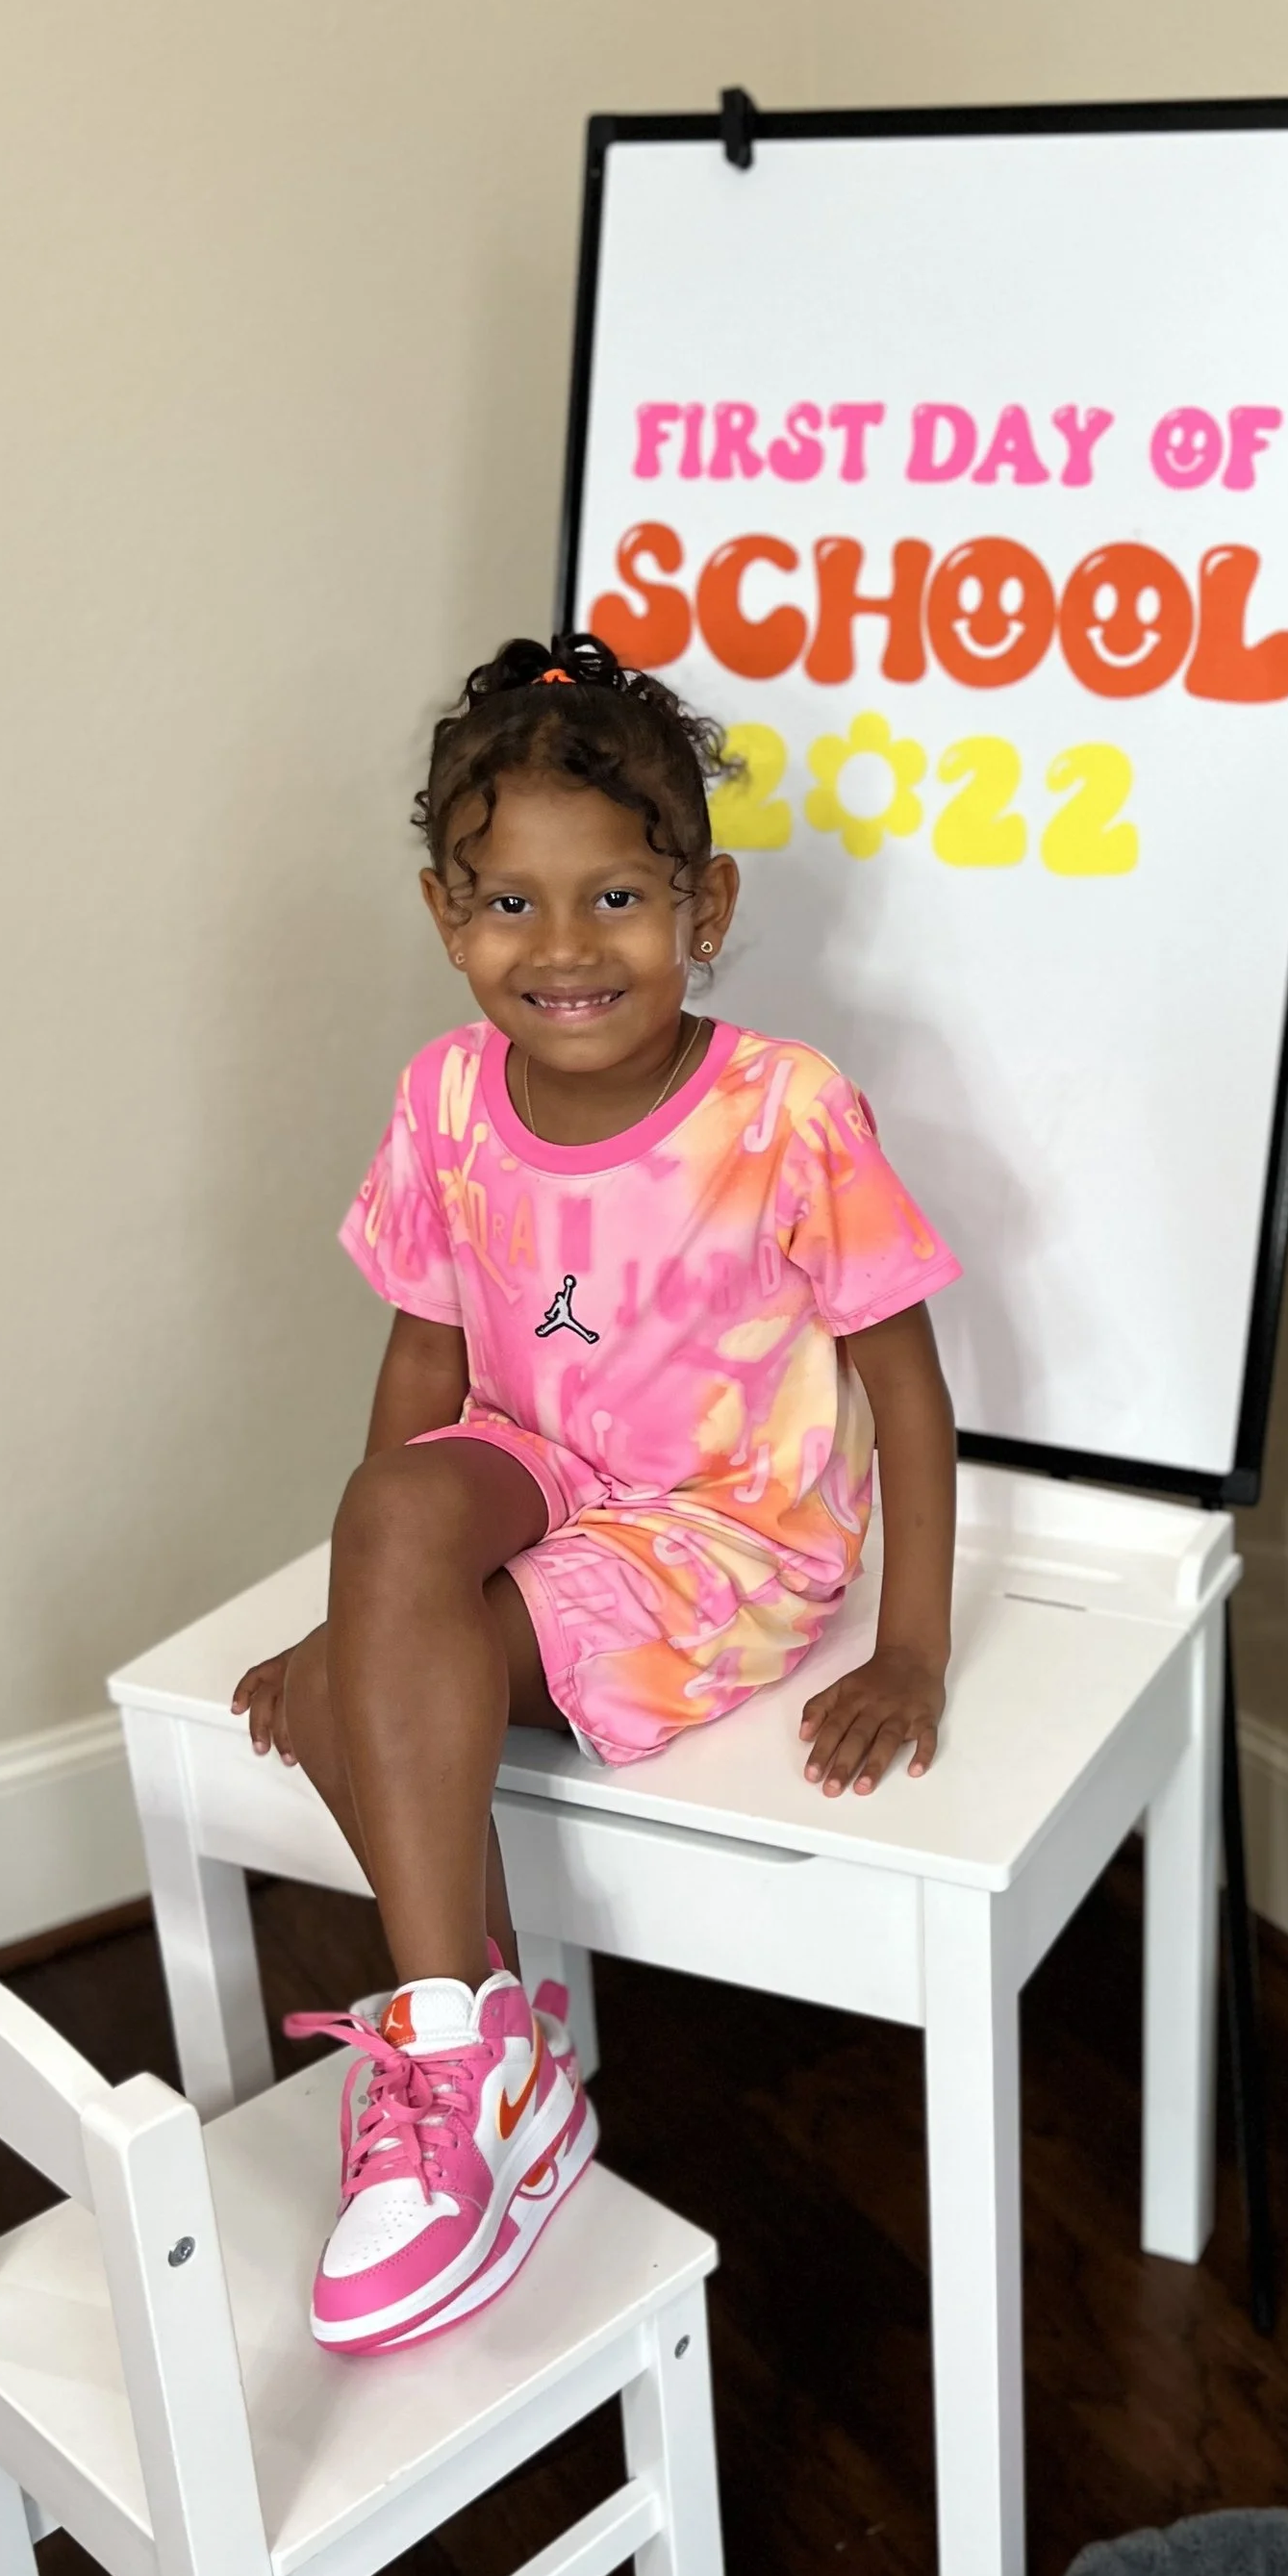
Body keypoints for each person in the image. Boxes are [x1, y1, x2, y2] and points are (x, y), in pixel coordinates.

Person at [231, 634, 959, 2353]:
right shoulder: (440, 1101)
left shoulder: (788, 1113)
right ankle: (482, 2047)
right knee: (401, 1532)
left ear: (702, 908)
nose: (564, 951)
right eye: (511, 905)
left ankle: (476, 2076)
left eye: (617, 896)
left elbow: (907, 1399)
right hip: (537, 1464)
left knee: (375, 1692)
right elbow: (426, 1379)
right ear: (443, 912)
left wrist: (913, 1646)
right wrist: (364, 1603)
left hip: (719, 1527)